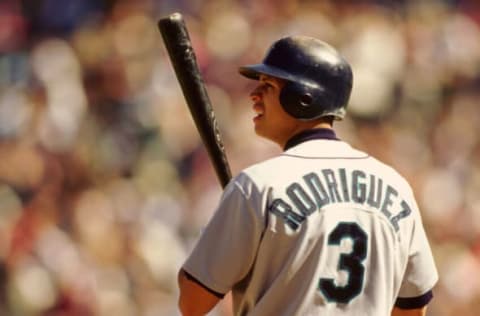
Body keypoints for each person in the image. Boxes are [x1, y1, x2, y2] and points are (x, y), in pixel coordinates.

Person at [177, 35, 438, 316]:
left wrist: (230, 253)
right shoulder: (395, 186)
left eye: (268, 86)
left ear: (303, 98)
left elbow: (193, 303)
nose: (254, 95)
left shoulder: (258, 185)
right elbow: (413, 307)